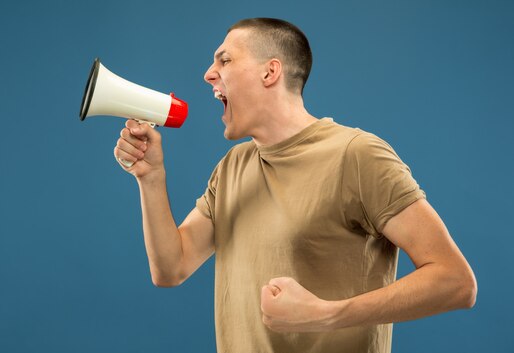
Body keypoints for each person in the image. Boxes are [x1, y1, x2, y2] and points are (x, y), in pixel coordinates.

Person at [113, 18, 477, 353]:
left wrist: (326, 314)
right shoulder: (232, 167)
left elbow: (456, 281)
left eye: (224, 61)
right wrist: (151, 178)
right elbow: (170, 268)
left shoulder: (357, 155)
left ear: (270, 72)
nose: (209, 74)